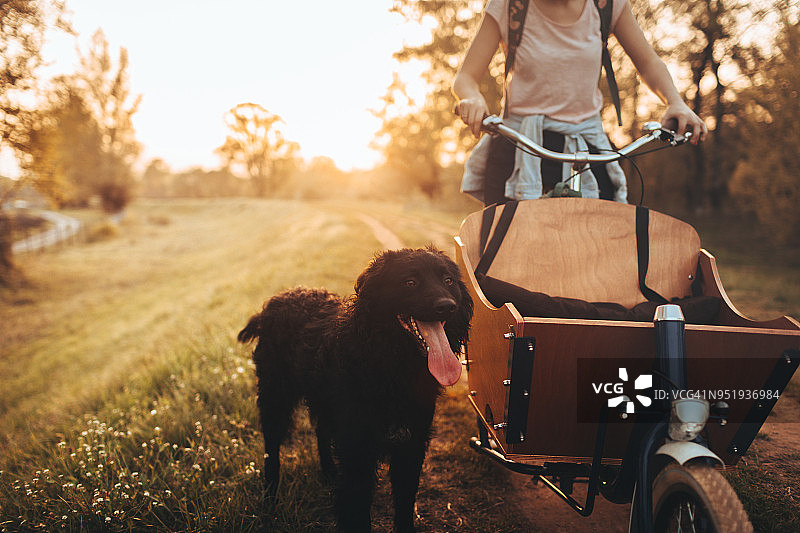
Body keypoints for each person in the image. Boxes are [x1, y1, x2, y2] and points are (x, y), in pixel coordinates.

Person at [453, 0, 708, 205]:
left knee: (600, 249)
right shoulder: (510, 6)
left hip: (587, 145)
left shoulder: (606, 5)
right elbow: (466, 76)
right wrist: (472, 97)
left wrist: (675, 101)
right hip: (522, 147)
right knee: (508, 254)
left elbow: (649, 63)